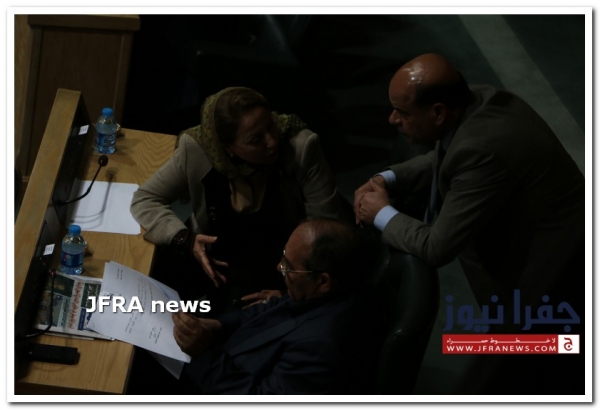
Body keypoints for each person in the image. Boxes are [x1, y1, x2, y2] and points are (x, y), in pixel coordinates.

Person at [354, 53, 585, 394]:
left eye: (402, 112)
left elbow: (436, 246)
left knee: (536, 376)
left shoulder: (482, 148)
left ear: (437, 113)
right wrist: (386, 178)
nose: (392, 119)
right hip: (541, 257)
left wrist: (380, 213)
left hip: (546, 282)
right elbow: (446, 158)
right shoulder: (475, 100)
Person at [131, 87, 351, 315]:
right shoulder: (198, 148)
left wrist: (288, 295)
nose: (272, 141)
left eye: (271, 125)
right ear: (227, 147)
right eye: (256, 140)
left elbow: (325, 237)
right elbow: (146, 199)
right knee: (145, 297)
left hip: (280, 266)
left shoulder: (301, 146)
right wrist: (185, 239)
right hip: (214, 258)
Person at [171, 218, 385, 394]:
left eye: (288, 267)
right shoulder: (321, 291)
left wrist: (204, 353)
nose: (279, 267)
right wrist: (218, 325)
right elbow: (271, 309)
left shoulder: (321, 348)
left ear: (323, 282)